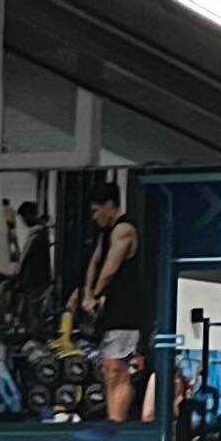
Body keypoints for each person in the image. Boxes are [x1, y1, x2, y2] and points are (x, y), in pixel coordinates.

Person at [79, 182, 143, 424]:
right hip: (111, 310)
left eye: (97, 211)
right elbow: (95, 263)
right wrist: (86, 293)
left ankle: (117, 423)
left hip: (125, 310)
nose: (95, 217)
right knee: (109, 369)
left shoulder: (124, 229)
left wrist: (94, 295)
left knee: (117, 369)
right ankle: (113, 421)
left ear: (110, 206)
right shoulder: (106, 234)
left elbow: (110, 267)